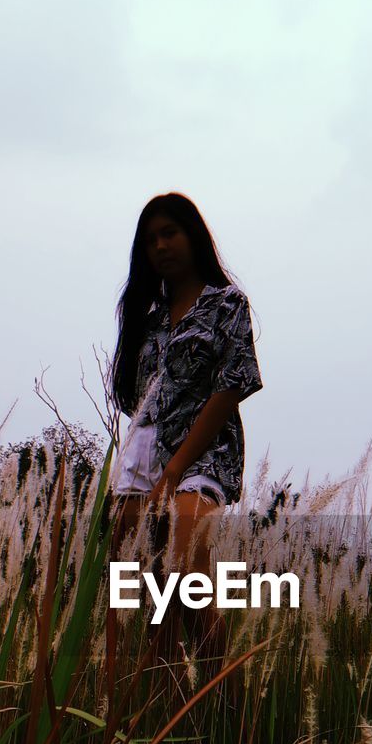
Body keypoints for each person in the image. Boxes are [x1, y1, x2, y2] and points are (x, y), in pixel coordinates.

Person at [104, 191, 264, 710]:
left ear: (193, 236)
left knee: (188, 560)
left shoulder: (226, 305)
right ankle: (164, 721)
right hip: (146, 463)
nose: (160, 246)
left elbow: (233, 383)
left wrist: (175, 468)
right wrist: (145, 472)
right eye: (150, 240)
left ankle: (229, 707)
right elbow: (136, 400)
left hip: (205, 455)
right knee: (150, 598)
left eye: (169, 233)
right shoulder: (148, 323)